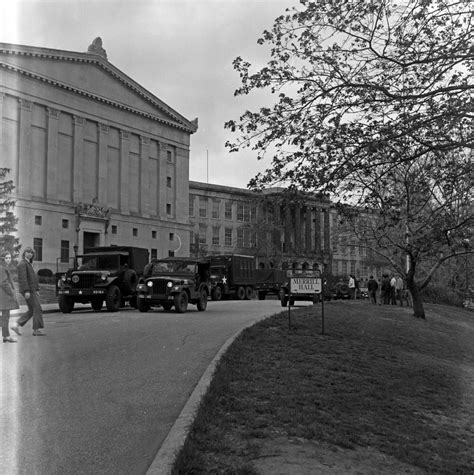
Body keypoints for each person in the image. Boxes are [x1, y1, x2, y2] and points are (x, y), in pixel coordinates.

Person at [11, 247, 46, 336]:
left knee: (32, 310)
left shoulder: (28, 263)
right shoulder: (22, 264)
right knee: (37, 308)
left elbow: (33, 278)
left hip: (32, 289)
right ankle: (36, 330)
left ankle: (16, 324)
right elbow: (23, 279)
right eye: (28, 252)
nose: (30, 254)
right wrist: (26, 291)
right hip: (28, 290)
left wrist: (37, 289)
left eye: (31, 253)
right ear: (24, 253)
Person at [0, 251, 19, 342]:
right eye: (6, 258)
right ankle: (6, 336)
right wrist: (11, 293)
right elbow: (3, 283)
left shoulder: (4, 267)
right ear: (2, 259)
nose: (8, 259)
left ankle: (5, 336)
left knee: (5, 316)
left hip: (4, 296)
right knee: (5, 317)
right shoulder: (3, 268)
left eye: (9, 258)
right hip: (5, 296)